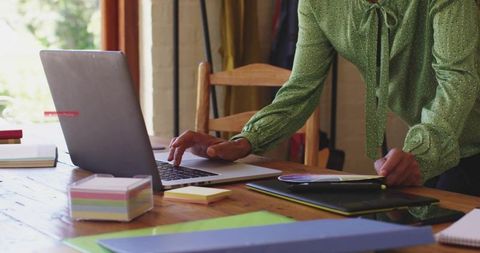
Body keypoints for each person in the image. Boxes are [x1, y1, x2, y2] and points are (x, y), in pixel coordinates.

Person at [169, 0, 480, 196]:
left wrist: (421, 153)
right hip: (442, 148)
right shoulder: (317, 5)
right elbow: (300, 88)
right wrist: (243, 142)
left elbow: (457, 80)